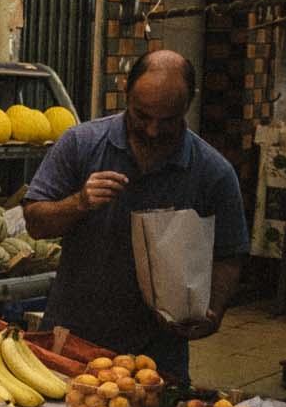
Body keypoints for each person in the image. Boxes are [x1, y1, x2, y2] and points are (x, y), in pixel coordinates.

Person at [22, 50, 247, 380]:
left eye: (168, 120)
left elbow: (229, 256)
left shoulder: (212, 172)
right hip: (71, 342)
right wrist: (78, 203)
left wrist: (212, 313)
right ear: (126, 93)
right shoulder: (81, 144)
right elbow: (35, 223)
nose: (153, 130)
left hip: (157, 357)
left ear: (189, 104)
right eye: (142, 116)